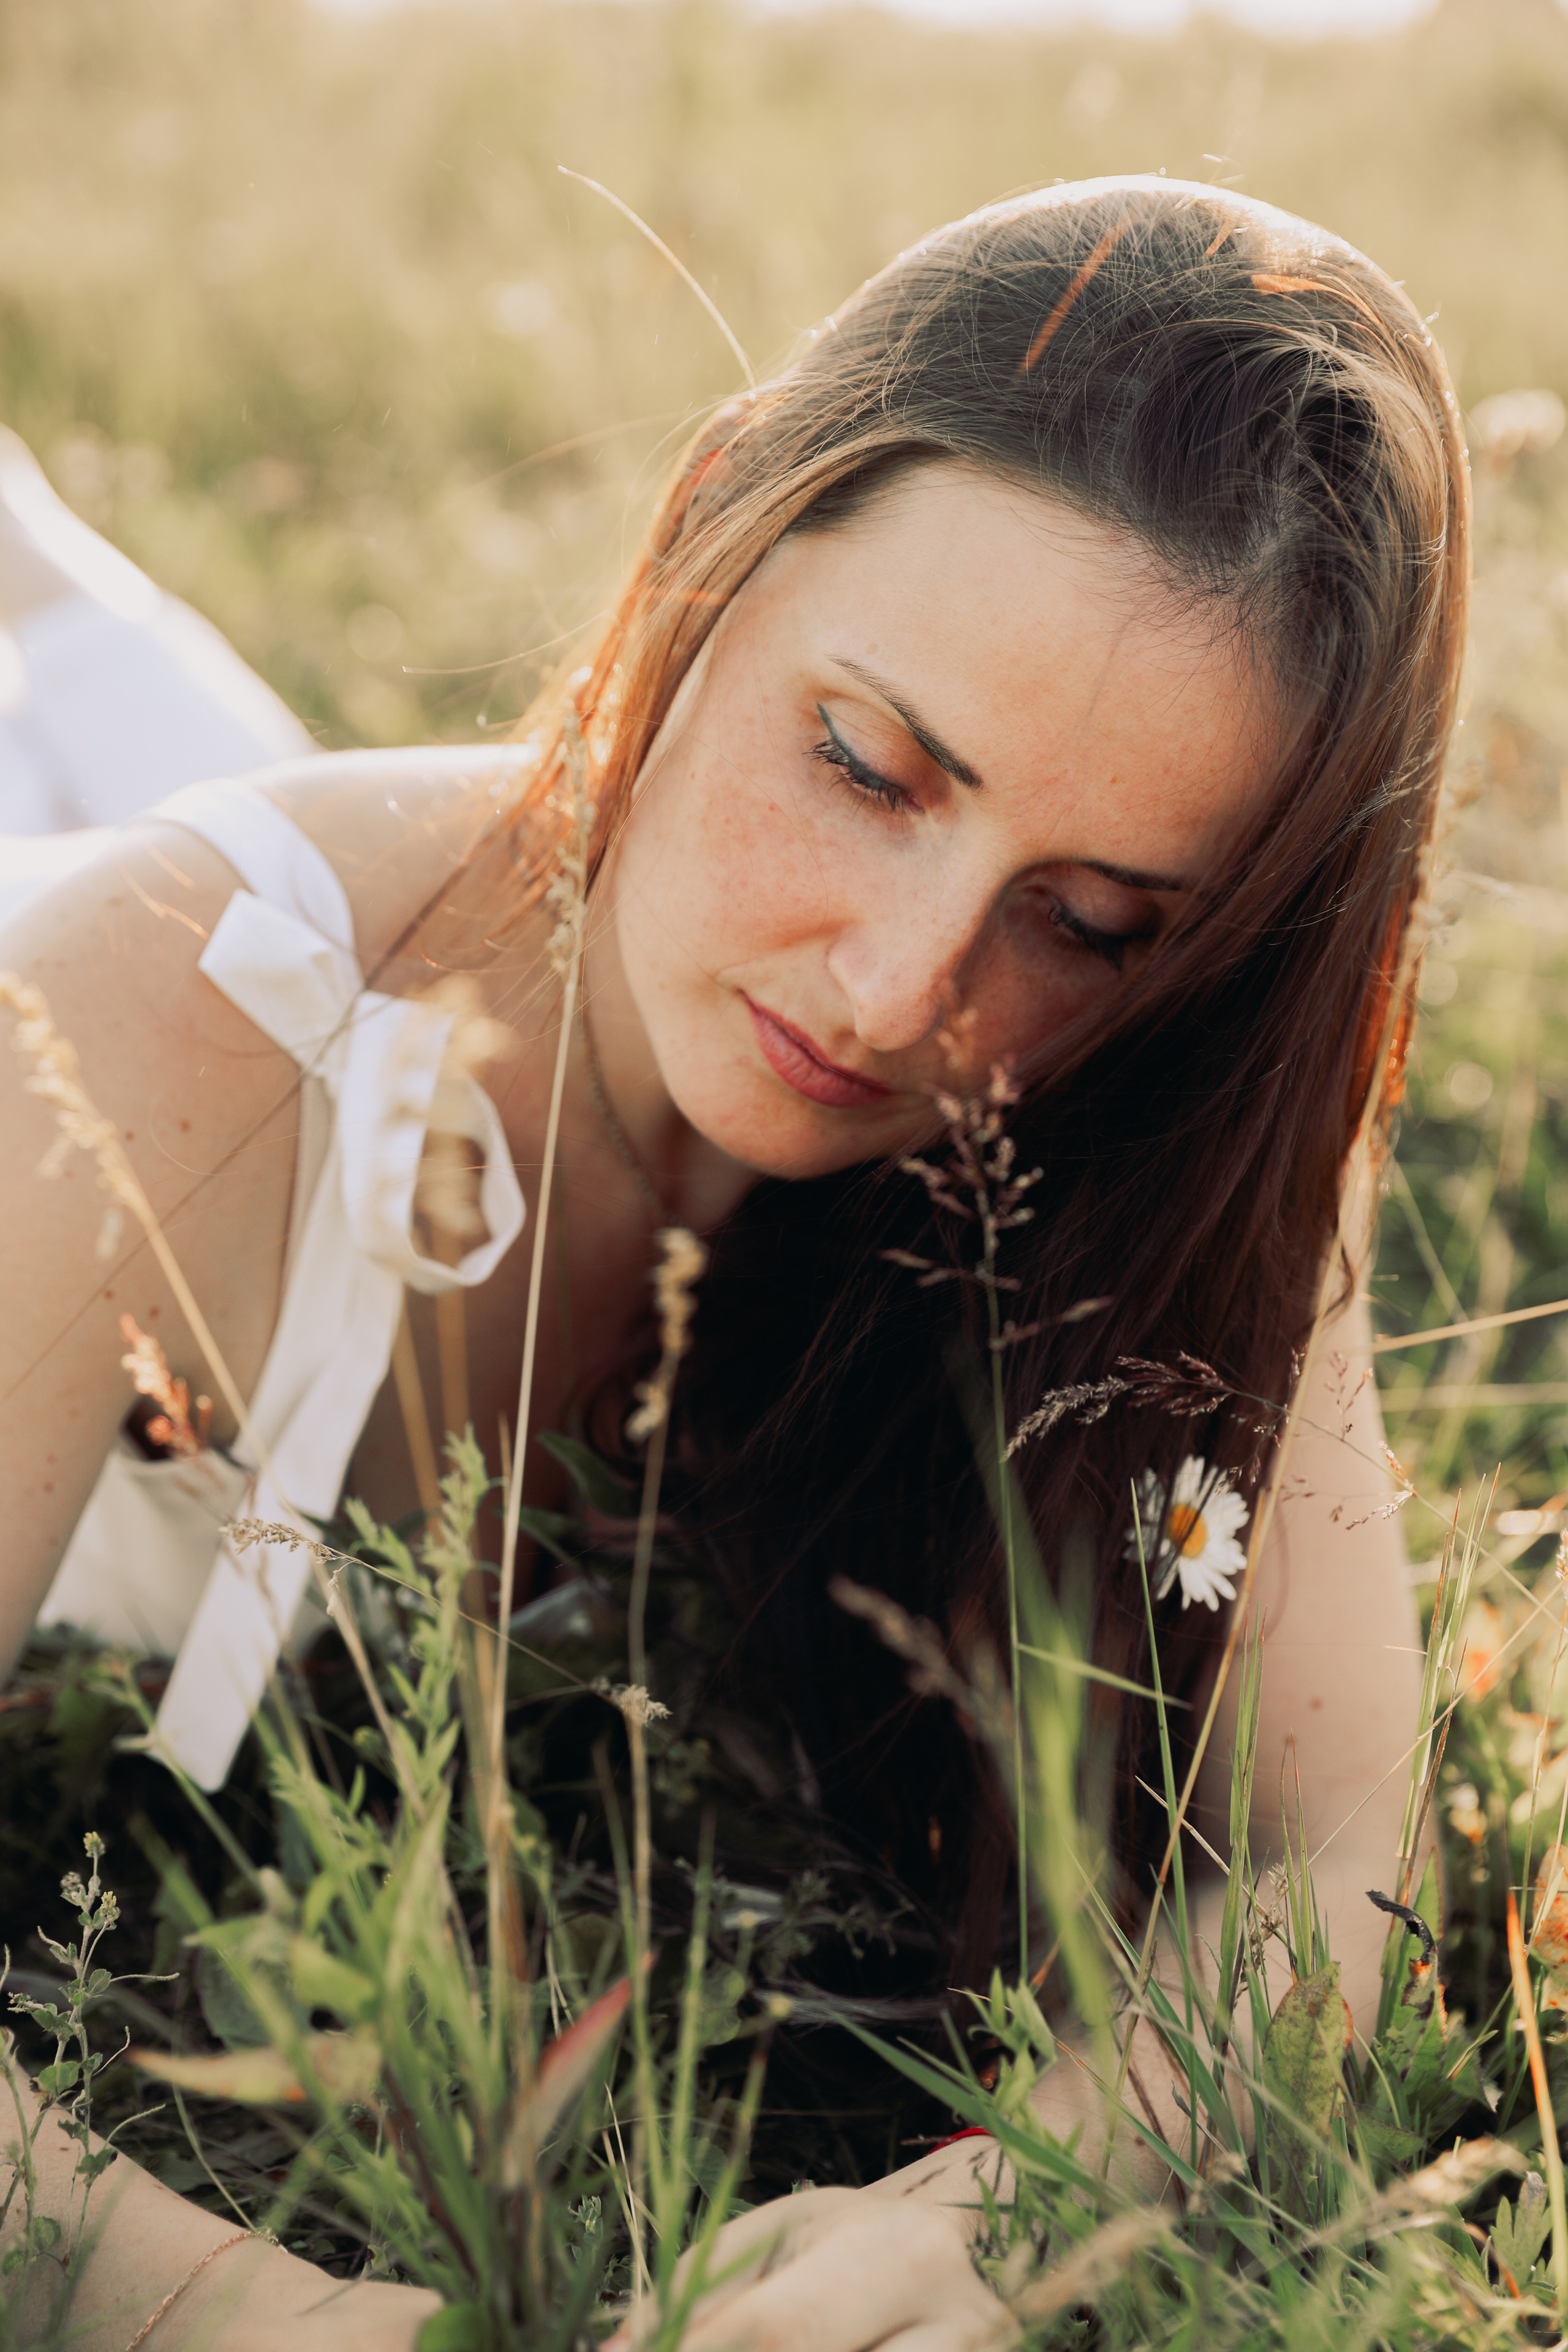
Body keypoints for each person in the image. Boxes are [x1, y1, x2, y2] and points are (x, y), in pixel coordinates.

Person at [0, 176, 1464, 2350]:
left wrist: (1021, 2192)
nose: (896, 992)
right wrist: (272, 2328)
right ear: (709, 526)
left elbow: (1337, 1848)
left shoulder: (1181, 1108)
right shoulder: (139, 1024)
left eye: (1087, 921)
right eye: (865, 764)